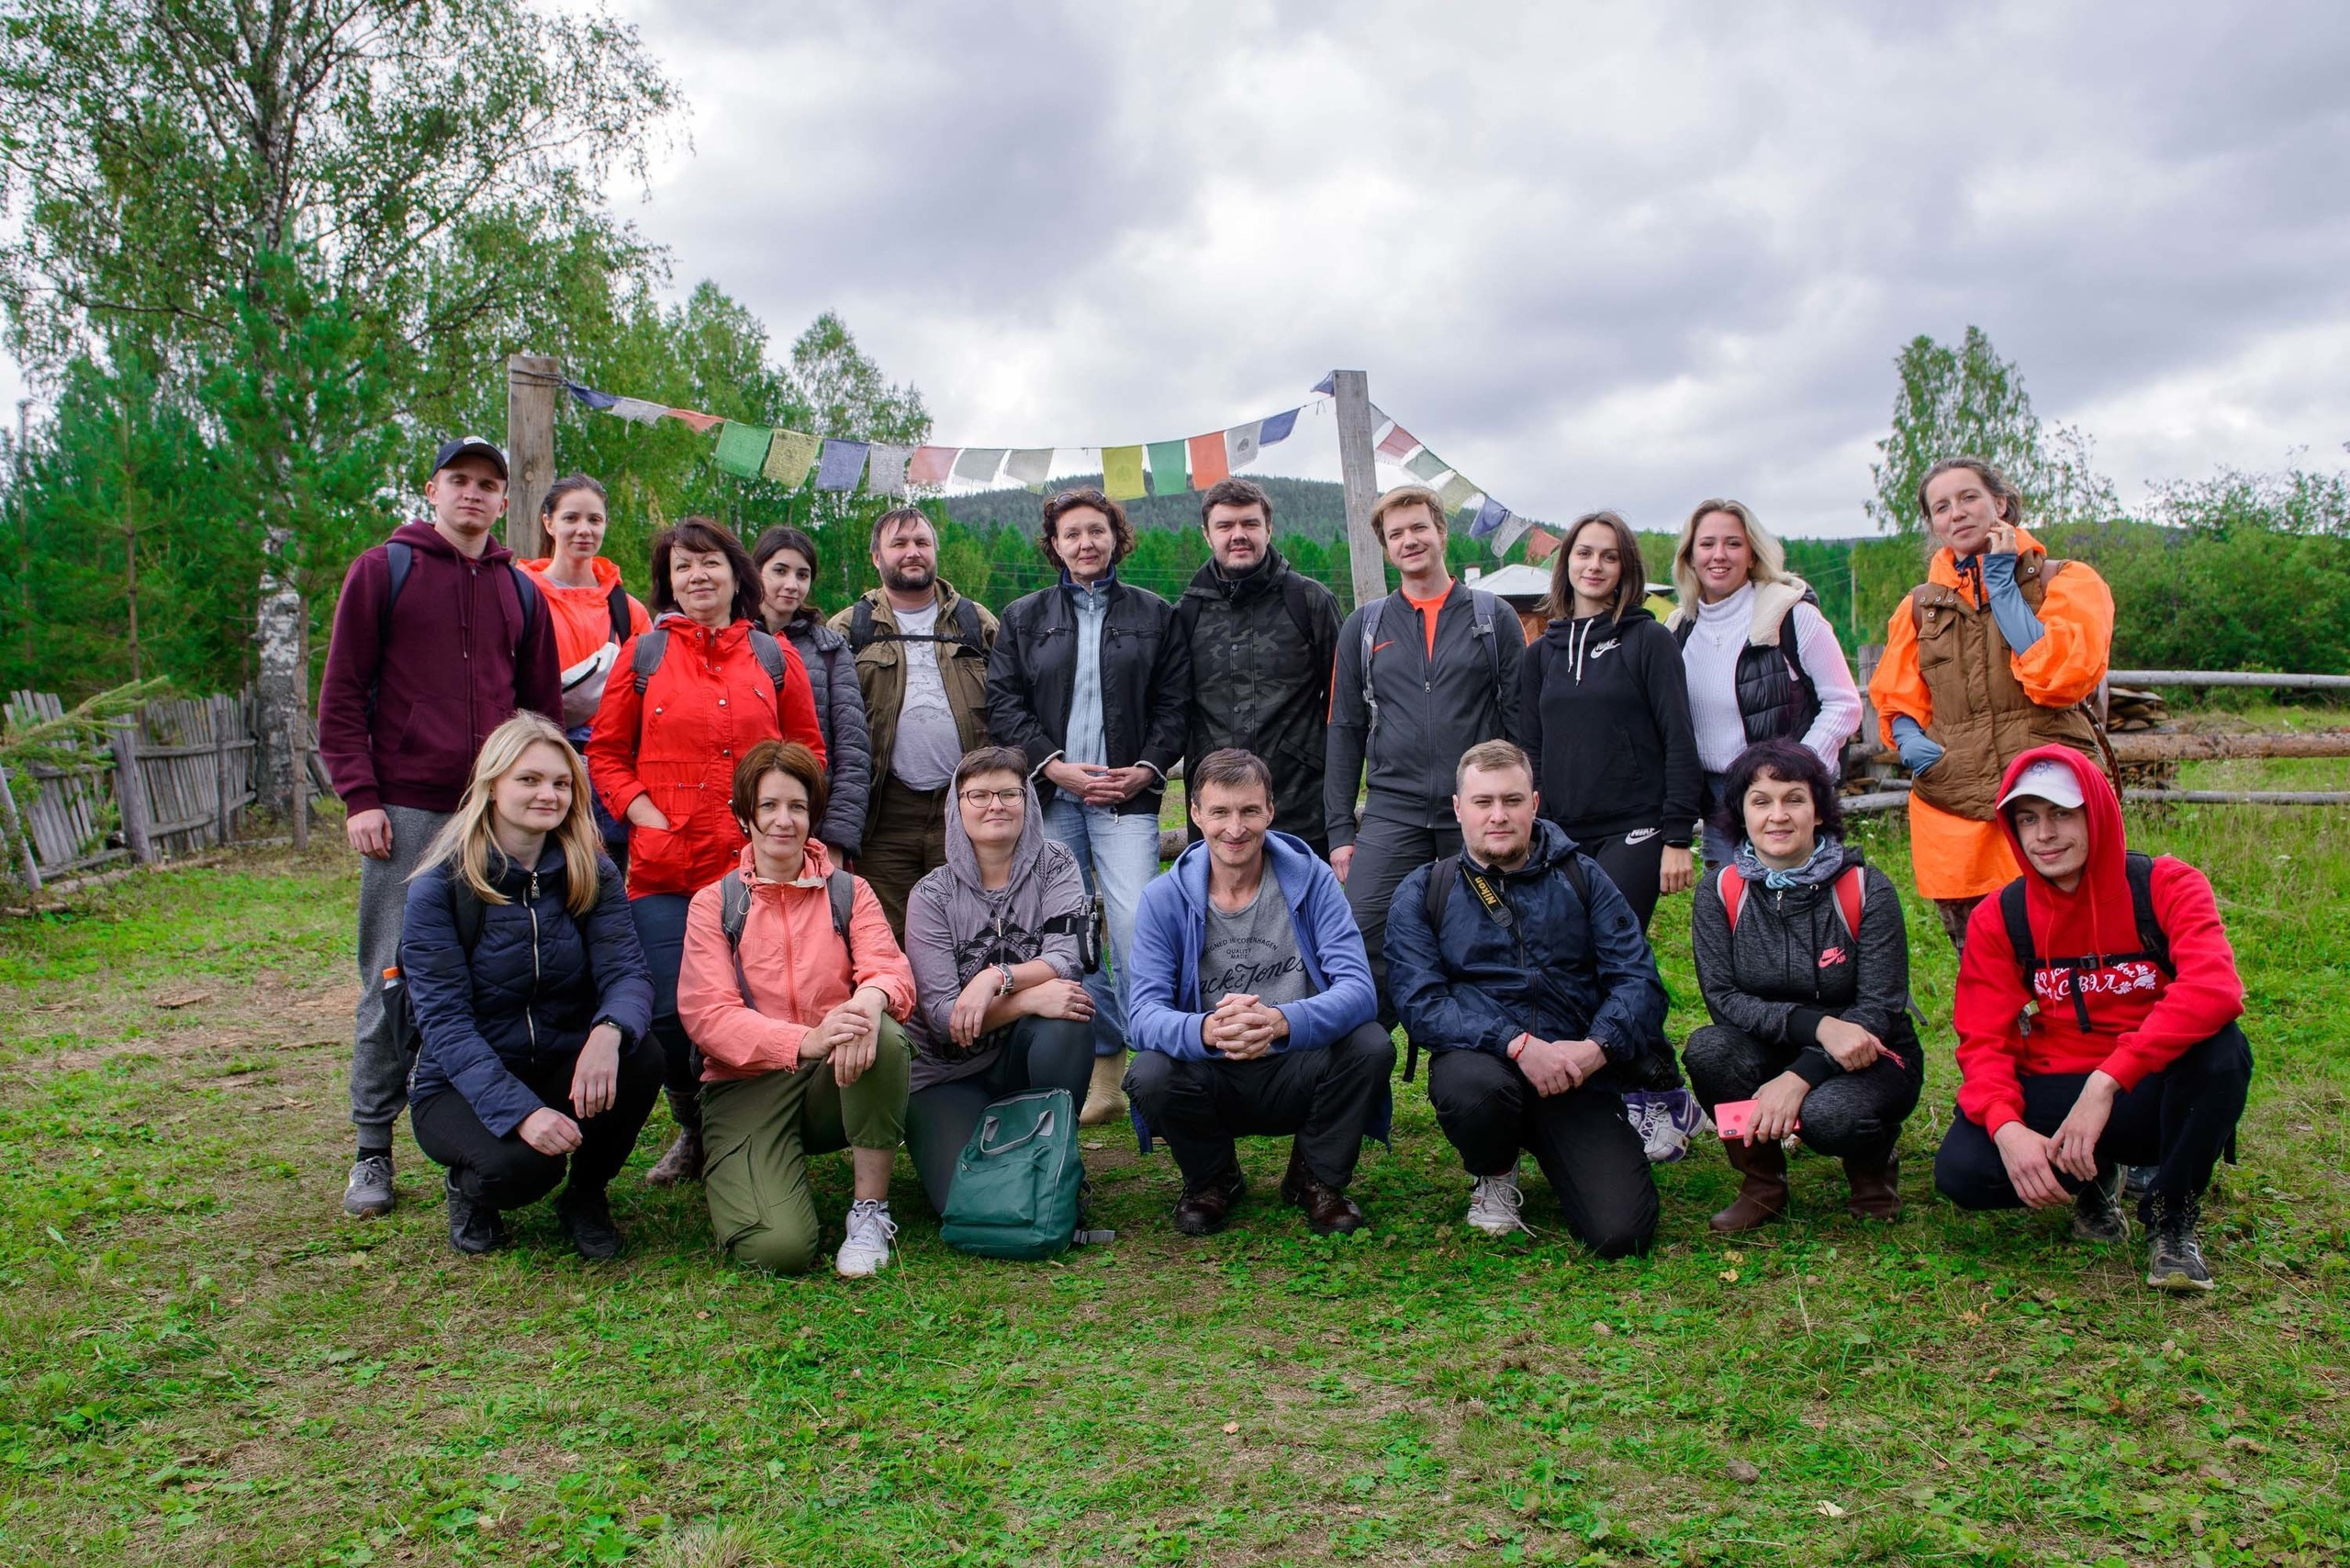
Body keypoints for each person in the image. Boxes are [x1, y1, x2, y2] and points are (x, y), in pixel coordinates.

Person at [318, 435, 563, 1218]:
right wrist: (360, 798)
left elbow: (540, 712)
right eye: (459, 481)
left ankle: (487, 1118)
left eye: (488, 485)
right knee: (392, 978)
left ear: (502, 501)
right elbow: (341, 697)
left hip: (493, 811)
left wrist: (538, 796)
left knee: (498, 971)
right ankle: (371, 1148)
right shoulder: (383, 571)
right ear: (432, 489)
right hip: (409, 808)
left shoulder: (520, 593)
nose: (473, 495)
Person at [1934, 748, 2251, 1292]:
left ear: (2096, 812)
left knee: (2223, 1052)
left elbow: (2214, 989)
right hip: (2059, 1082)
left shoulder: (2167, 886)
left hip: (2148, 1087)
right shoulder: (2001, 916)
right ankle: (2095, 1176)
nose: (2044, 835)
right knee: (1965, 1172)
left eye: (2062, 813)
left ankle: (2171, 1220)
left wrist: (2108, 1080)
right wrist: (2008, 1129)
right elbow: (1984, 1039)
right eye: (2027, 819)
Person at [588, 519, 826, 1189]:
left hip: (756, 870)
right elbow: (604, 754)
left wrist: (783, 824)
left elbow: (809, 753)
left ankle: (760, 1132)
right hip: (665, 871)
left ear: (734, 574)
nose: (696, 576)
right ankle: (693, 1128)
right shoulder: (643, 655)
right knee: (669, 1012)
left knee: (756, 1000)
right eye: (681, 566)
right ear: (666, 580)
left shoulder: (774, 659)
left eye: (710, 563)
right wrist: (645, 814)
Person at [1383, 741, 1671, 1257]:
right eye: (1483, 802)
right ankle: (1495, 1169)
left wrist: (1596, 1049)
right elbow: (1420, 1003)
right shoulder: (1426, 888)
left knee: (1620, 1234)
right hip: (1485, 1066)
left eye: (1512, 801)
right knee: (1471, 1089)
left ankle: (1571, 1143)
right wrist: (1515, 1043)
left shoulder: (1584, 877)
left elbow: (1639, 980)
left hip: (1574, 1070)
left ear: (1535, 803)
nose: (1498, 815)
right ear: (1457, 808)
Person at [402, 714, 659, 1259]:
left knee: (643, 1052)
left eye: (562, 783)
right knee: (522, 1170)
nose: (548, 794)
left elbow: (627, 973)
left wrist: (609, 1031)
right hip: (459, 1082)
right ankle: (470, 1190)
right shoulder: (439, 888)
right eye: (530, 780)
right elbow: (444, 1023)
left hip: (560, 1058)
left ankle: (586, 1196)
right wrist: (521, 1113)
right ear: (493, 784)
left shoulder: (591, 871)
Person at [1125, 749, 1391, 1237]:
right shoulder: (1163, 899)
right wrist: (1206, 1029)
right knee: (1150, 1071)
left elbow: (1359, 990)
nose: (1235, 827)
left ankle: (1314, 1177)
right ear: (1196, 814)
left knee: (1370, 1044)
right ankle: (1212, 1178)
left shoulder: (1313, 882)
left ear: (1271, 810)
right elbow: (1140, 1015)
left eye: (1249, 810)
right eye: (1220, 811)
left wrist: (1280, 1022)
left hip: (1297, 1062)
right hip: (1211, 1068)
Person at [985, 487, 1189, 1126]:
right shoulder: (1023, 617)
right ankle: (1103, 1072)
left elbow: (1176, 704)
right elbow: (1004, 703)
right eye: (1071, 534)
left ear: (1115, 536)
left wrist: (1147, 770)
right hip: (1052, 796)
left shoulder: (1157, 614)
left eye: (1096, 531)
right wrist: (1055, 766)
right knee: (1072, 935)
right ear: (1054, 544)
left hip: (1128, 799)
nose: (1085, 543)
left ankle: (1157, 1063)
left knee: (1133, 926)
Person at [676, 741, 916, 1277]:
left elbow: (891, 971)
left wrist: (865, 1004)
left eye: (798, 807)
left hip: (834, 1076)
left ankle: (869, 1211)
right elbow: (707, 1015)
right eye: (768, 807)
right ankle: (757, 1175)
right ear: (745, 816)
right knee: (778, 1251)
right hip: (745, 1083)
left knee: (883, 1032)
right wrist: (802, 1041)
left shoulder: (850, 892)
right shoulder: (714, 904)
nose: (784, 821)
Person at [1868, 459, 2116, 952]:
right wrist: (1918, 747)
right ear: (1934, 524)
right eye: (1942, 507)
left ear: (1999, 504)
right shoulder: (1919, 607)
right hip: (1954, 806)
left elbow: (2060, 678)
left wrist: (2003, 587)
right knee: (1985, 962)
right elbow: (1897, 701)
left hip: (2051, 801)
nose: (1956, 514)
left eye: (1969, 498)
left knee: (2079, 955)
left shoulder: (2067, 581)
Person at [1684, 738, 1923, 1231]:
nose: (1778, 815)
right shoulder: (1720, 892)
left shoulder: (1865, 888)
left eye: (1794, 798)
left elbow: (1880, 1005)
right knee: (1709, 1050)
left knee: (1828, 1117)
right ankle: (1763, 1183)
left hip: (1870, 1053)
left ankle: (1872, 1169)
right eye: (1761, 801)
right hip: (1774, 1044)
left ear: (1819, 812)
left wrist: (1802, 1076)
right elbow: (1723, 999)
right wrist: (1815, 1027)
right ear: (1741, 814)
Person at [1325, 485, 1526, 1007]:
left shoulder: (1492, 617)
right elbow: (1345, 727)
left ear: (1441, 531)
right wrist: (1341, 831)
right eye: (1396, 534)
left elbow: (1523, 723)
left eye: (1418, 527)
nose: (1409, 540)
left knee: (1495, 936)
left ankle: (1481, 1053)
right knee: (1362, 938)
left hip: (1480, 815)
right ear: (1386, 548)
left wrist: (1525, 811)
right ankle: (1365, 1057)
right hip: (1394, 813)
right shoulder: (1364, 626)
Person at [901, 748, 1100, 1215]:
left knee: (1068, 1014)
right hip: (946, 1073)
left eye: (1009, 793)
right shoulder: (930, 895)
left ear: (1027, 801)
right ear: (957, 806)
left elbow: (1067, 958)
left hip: (1022, 1056)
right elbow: (947, 1017)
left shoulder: (1056, 864)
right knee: (968, 1203)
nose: (996, 805)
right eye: (980, 795)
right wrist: (1028, 999)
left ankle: (1057, 1158)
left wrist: (997, 976)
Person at [1517, 509, 1698, 934]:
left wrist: (1676, 836)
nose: (1594, 566)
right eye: (1584, 553)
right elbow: (1531, 751)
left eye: (1609, 556)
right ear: (1567, 563)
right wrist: (1535, 829)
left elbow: (1679, 739)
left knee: (1615, 947)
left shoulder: (1650, 640)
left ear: (1625, 568)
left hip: (1635, 829)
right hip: (1559, 834)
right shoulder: (1540, 656)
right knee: (1565, 952)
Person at [829, 507, 1001, 938]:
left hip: (965, 809)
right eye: (899, 544)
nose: (912, 553)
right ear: (876, 557)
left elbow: (1011, 707)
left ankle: (968, 1008)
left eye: (922, 543)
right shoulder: (850, 628)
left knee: (968, 932)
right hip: (884, 812)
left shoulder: (976, 623)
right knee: (888, 938)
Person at [1666, 498, 1863, 869]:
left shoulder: (1791, 617)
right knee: (1731, 911)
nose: (1719, 555)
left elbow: (1844, 703)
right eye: (1707, 544)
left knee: (1798, 906)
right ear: (1690, 558)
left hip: (1784, 797)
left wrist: (1798, 771)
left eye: (1734, 544)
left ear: (1753, 555)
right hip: (1719, 799)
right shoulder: (1678, 630)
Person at [1176, 478, 1342, 857]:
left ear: (1269, 528)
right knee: (1219, 910)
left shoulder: (1309, 601)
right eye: (1225, 526)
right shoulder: (1188, 612)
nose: (1239, 535)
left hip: (1299, 800)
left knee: (1301, 911)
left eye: (1249, 524)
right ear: (1207, 535)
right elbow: (1173, 705)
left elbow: (1344, 700)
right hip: (1215, 806)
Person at [520, 475, 652, 861]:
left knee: (605, 878)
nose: (584, 530)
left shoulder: (628, 610)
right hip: (538, 759)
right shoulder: (520, 594)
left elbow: (646, 692)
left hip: (609, 767)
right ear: (549, 523)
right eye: (571, 518)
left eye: (594, 520)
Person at [753, 525, 872, 864]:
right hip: (745, 824)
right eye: (780, 571)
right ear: (755, 571)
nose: (792, 585)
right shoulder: (731, 640)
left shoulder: (829, 650)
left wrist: (836, 840)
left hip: (813, 829)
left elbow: (853, 753)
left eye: (802, 575)